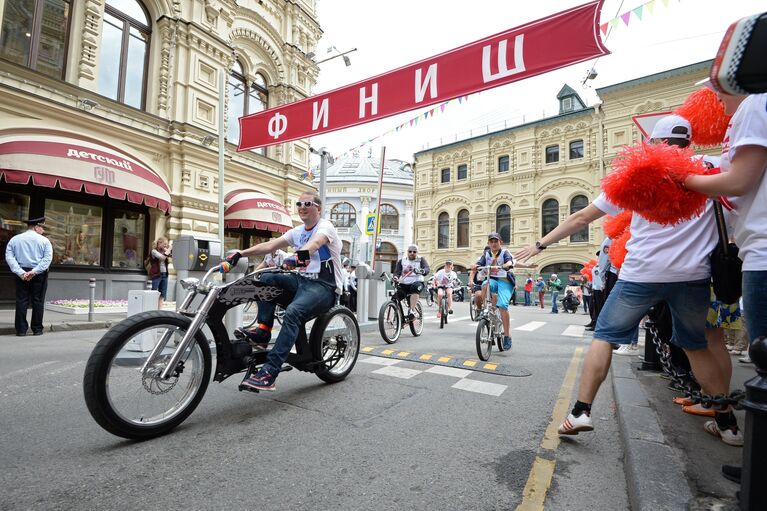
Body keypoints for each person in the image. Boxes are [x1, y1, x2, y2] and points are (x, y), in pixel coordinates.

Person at [515, 114, 743, 446]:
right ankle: (728, 425)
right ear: (689, 141)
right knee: (696, 345)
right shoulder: (713, 167)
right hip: (693, 276)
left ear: (654, 144)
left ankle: (580, 412)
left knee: (604, 337)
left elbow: (582, 216)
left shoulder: (639, 174)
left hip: (640, 274)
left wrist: (539, 244)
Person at [228, 191, 343, 392]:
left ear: (318, 207)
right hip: (301, 281)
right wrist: (241, 253)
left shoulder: (326, 227)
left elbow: (314, 244)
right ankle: (263, 330)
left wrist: (296, 259)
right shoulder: (297, 231)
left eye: (307, 203)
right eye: (299, 204)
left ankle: (269, 373)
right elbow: (270, 245)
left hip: (325, 286)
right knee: (264, 278)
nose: (302, 207)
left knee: (293, 312)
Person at [472, 232, 535, 350]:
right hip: (493, 280)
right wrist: (475, 266)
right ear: (488, 243)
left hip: (505, 281)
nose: (494, 243)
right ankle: (485, 310)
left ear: (500, 242)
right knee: (485, 285)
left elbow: (510, 261)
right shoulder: (486, 254)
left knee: (502, 307)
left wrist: (507, 264)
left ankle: (506, 336)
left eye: (496, 241)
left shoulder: (505, 252)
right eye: (491, 241)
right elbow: (479, 264)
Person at [5, 217, 53, 336]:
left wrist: (21, 272)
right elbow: (47, 259)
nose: (43, 230)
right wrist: (34, 271)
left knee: (21, 300)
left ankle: (21, 330)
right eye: (42, 227)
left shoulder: (14, 240)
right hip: (39, 274)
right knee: (38, 301)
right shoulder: (44, 241)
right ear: (36, 227)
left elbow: (9, 258)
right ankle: (37, 329)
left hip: (22, 273)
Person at [393, 244, 430, 319]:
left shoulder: (420, 259)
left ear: (417, 252)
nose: (412, 253)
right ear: (407, 252)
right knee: (395, 299)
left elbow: (427, 268)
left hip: (417, 282)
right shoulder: (402, 261)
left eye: (414, 251)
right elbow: (397, 272)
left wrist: (422, 271)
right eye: (410, 251)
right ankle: (399, 318)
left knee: (414, 287)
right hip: (404, 284)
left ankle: (412, 310)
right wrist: (396, 277)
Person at [149, 237, 171, 310]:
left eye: (166, 244)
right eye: (163, 244)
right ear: (158, 243)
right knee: (154, 292)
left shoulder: (165, 251)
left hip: (165, 275)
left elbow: (172, 256)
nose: (165, 246)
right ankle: (152, 309)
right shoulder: (154, 251)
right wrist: (169, 248)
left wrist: (168, 250)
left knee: (162, 293)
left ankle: (159, 310)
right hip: (156, 274)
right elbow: (162, 258)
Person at [468, 246, 490, 311]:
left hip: (491, 280)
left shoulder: (495, 258)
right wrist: (471, 281)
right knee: (478, 295)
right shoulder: (480, 259)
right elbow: (473, 271)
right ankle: (479, 309)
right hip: (480, 281)